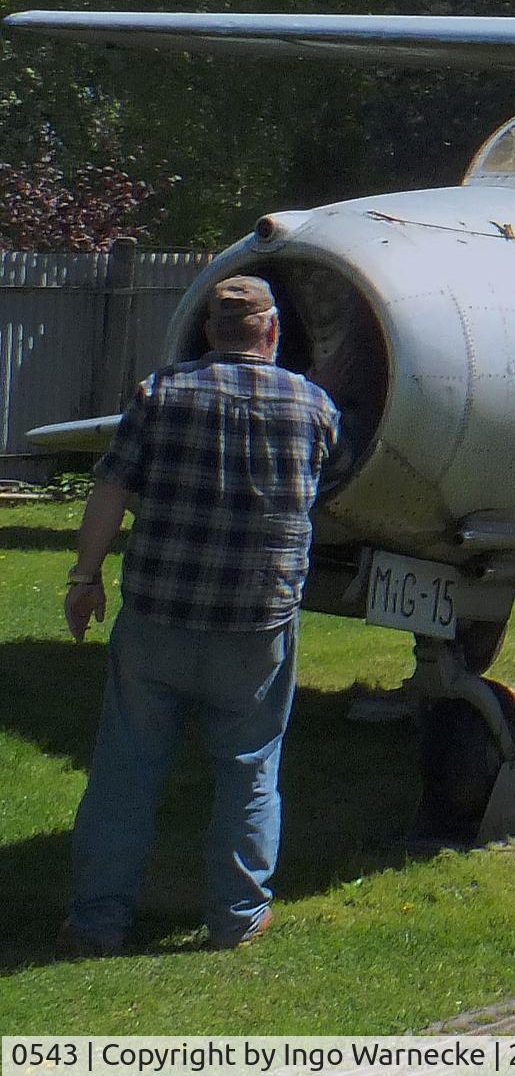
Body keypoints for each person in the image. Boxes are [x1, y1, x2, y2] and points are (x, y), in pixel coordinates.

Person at [58, 275, 340, 956]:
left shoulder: (160, 394)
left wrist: (84, 577)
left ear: (210, 331)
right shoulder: (314, 406)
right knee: (249, 767)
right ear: (272, 332)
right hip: (257, 624)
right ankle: (237, 915)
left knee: (126, 768)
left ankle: (97, 921)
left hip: (158, 614)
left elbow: (111, 487)